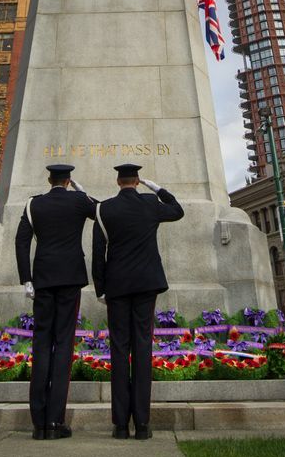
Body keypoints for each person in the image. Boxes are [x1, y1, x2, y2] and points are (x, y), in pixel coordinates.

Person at [92, 164, 183, 440]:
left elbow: (98, 254)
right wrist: (157, 188)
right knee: (142, 348)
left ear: (118, 182)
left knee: (119, 350)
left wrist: (100, 290)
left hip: (117, 286)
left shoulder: (104, 209)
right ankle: (142, 424)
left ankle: (120, 424)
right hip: (146, 284)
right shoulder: (150, 203)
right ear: (136, 181)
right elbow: (178, 210)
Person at [15, 163, 96, 441]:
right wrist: (84, 193)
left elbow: (21, 242)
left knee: (41, 344)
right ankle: (54, 421)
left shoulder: (33, 205)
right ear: (69, 180)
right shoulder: (77, 201)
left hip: (43, 278)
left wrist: (26, 278)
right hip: (70, 277)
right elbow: (102, 213)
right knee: (63, 346)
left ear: (49, 179)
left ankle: (38, 423)